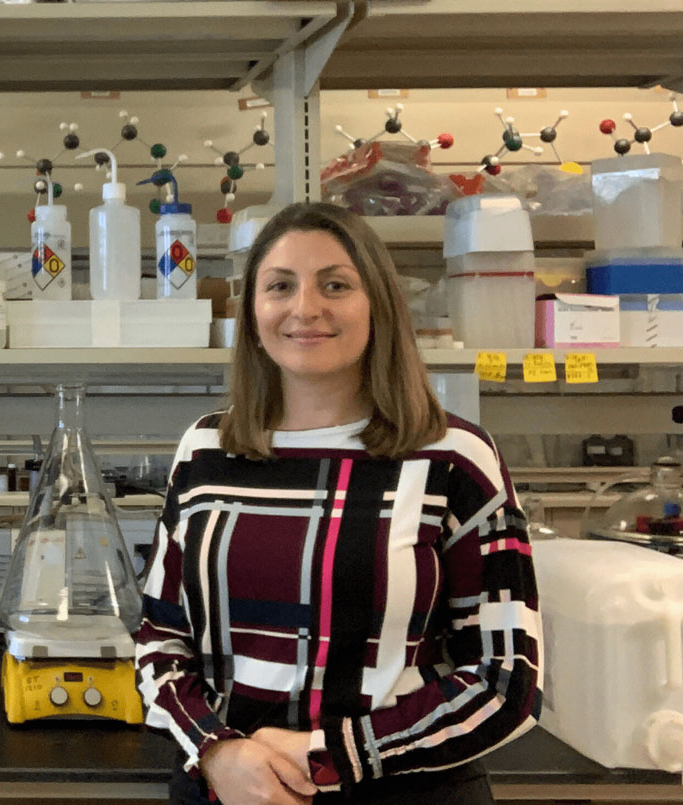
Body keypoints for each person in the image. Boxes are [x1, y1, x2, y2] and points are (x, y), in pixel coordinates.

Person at [136, 202, 541, 805]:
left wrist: (332, 753)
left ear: (377, 302)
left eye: (335, 285)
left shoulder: (453, 457)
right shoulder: (206, 450)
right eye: (280, 286)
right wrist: (216, 749)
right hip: (232, 789)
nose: (305, 309)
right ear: (252, 311)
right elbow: (160, 642)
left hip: (403, 790)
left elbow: (506, 680)